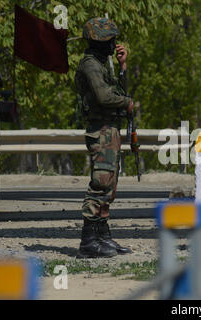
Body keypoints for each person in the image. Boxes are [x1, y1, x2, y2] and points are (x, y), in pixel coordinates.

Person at [75, 17, 134, 258]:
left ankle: (102, 236)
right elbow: (103, 97)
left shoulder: (103, 63)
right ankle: (88, 242)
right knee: (100, 185)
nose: (114, 44)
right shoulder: (90, 65)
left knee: (109, 185)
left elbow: (119, 91)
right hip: (100, 129)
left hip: (109, 129)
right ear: (98, 42)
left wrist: (122, 67)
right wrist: (128, 103)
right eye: (110, 40)